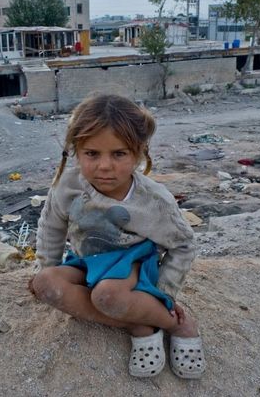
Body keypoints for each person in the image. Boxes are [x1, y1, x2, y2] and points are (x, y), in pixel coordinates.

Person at [29, 94, 205, 379]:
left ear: (138, 152)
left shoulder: (153, 201)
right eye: (92, 154)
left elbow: (183, 245)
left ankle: (174, 324)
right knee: (45, 284)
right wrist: (47, 265)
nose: (105, 166)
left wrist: (162, 295)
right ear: (76, 151)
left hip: (132, 265)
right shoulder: (69, 186)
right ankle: (135, 322)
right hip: (88, 263)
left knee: (107, 295)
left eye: (119, 154)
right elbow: (51, 227)